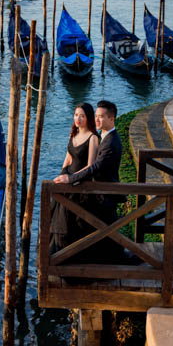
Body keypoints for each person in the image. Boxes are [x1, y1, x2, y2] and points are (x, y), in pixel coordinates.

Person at [54, 100, 130, 263]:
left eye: (101, 117)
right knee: (95, 230)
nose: (97, 120)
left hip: (104, 193)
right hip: (96, 189)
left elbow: (94, 167)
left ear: (112, 118)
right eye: (96, 116)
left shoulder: (110, 142)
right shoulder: (103, 136)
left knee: (98, 231)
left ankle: (87, 260)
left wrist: (70, 179)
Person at [49, 103, 99, 253]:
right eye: (76, 115)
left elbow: (90, 166)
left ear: (88, 118)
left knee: (70, 218)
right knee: (56, 213)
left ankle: (67, 251)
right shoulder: (73, 134)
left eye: (82, 116)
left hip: (79, 182)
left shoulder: (93, 138)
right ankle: (56, 250)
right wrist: (61, 174)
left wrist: (72, 178)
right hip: (67, 179)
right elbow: (68, 157)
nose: (78, 118)